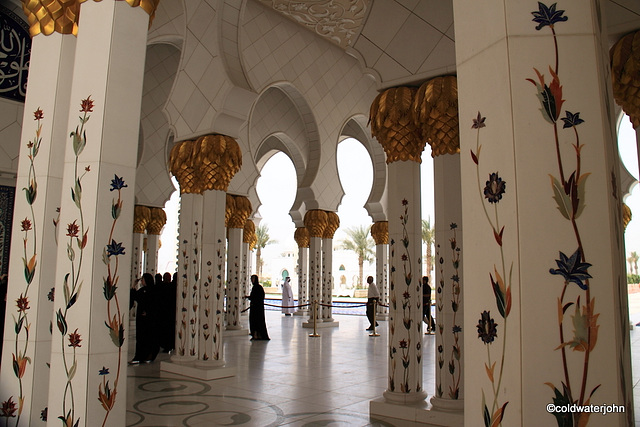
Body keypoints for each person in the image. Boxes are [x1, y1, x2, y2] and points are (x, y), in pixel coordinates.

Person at [247, 274, 270, 340]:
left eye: (253, 279)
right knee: (254, 321)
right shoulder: (255, 287)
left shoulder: (258, 287)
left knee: (258, 321)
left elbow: (260, 297)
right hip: (254, 308)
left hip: (257, 308)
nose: (252, 280)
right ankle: (254, 334)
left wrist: (253, 299)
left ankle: (258, 335)